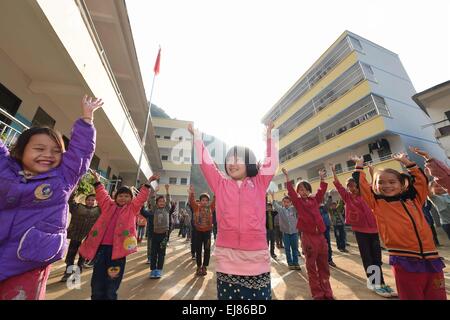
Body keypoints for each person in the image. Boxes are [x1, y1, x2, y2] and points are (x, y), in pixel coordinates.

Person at [0, 95, 102, 300]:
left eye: (56, 151)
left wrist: (87, 119)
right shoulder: (5, 170)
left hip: (29, 260)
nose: (48, 154)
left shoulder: (62, 178)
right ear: (21, 151)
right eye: (39, 149)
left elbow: (81, 153)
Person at [188, 122, 277, 300]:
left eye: (237, 159)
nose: (231, 163)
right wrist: (198, 139)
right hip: (227, 258)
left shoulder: (259, 182)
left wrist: (269, 138)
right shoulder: (220, 184)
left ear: (248, 162)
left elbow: (271, 163)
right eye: (229, 159)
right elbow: (207, 165)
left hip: (256, 257)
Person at [352, 150, 447, 300]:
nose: (387, 186)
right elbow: (361, 185)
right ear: (375, 186)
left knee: (437, 296)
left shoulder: (414, 200)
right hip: (404, 259)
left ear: (402, 184)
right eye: (380, 182)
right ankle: (377, 283)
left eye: (392, 182)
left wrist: (408, 163)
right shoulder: (377, 203)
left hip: (431, 258)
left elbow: (421, 181)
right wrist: (359, 166)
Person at [79, 171, 158, 300]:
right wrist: (97, 181)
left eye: (127, 196)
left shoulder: (132, 208)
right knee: (97, 280)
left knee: (112, 282)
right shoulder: (107, 205)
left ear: (131, 199)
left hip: (118, 253)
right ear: (115, 196)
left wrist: (148, 184)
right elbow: (102, 194)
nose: (123, 198)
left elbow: (141, 198)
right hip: (102, 250)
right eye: (120, 195)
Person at [330, 163, 395, 297]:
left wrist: (371, 171)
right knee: (368, 258)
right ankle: (374, 283)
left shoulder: (367, 195)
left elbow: (372, 185)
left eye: (354, 186)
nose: (352, 189)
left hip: (374, 231)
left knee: (377, 258)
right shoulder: (348, 197)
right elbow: (338, 186)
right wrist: (334, 172)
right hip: (361, 232)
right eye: (349, 187)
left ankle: (380, 282)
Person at [282, 167, 334, 300]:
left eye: (305, 189)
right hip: (308, 238)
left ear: (309, 190)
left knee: (324, 266)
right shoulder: (298, 203)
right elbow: (291, 193)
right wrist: (287, 178)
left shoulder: (315, 200)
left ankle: (327, 291)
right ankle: (317, 293)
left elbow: (321, 191)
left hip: (321, 237)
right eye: (300, 189)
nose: (303, 191)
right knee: (311, 267)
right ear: (298, 192)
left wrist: (322, 178)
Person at [60, 193, 100, 282]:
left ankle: (78, 271)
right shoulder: (78, 208)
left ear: (96, 202)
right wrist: (73, 191)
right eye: (89, 200)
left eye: (93, 200)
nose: (90, 201)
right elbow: (70, 202)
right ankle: (68, 272)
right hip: (75, 235)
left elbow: (106, 204)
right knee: (71, 254)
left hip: (88, 237)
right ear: (85, 201)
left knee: (83, 255)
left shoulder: (99, 211)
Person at [145, 184, 172, 279]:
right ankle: (153, 270)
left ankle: (159, 270)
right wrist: (155, 192)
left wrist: (167, 190)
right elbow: (152, 201)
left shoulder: (167, 209)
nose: (162, 203)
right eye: (160, 201)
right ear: (157, 203)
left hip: (164, 235)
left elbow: (169, 201)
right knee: (154, 253)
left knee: (161, 253)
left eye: (163, 201)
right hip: (155, 235)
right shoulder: (155, 209)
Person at [269, 192, 300, 270]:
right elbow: (275, 205)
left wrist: (291, 196)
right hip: (286, 233)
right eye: (284, 202)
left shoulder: (294, 209)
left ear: (290, 203)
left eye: (288, 202)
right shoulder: (281, 210)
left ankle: (296, 262)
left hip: (294, 233)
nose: (286, 203)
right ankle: (290, 263)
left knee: (295, 248)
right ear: (282, 203)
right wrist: (273, 197)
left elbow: (298, 203)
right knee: (287, 249)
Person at [189, 185, 215, 276]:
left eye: (206, 200)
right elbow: (191, 202)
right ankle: (199, 266)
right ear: (200, 201)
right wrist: (191, 193)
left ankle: (205, 266)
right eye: (202, 200)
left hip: (207, 233)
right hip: (198, 232)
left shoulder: (210, 208)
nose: (204, 202)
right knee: (198, 250)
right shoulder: (196, 207)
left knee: (207, 249)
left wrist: (215, 191)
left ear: (208, 201)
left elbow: (215, 200)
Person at [320, 201, 335, 267]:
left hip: (326, 228)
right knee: (320, 246)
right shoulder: (314, 207)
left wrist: (330, 224)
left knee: (327, 244)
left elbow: (328, 214)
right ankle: (322, 261)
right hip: (319, 229)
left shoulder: (324, 207)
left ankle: (329, 260)